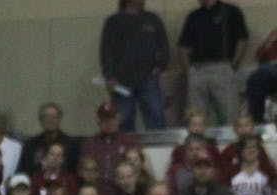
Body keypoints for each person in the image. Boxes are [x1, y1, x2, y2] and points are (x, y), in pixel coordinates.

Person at [98, 0, 169, 131]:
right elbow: (105, 50)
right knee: (123, 119)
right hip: (121, 80)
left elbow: (164, 45)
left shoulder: (152, 19)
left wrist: (161, 65)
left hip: (148, 77)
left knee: (156, 116)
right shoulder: (114, 21)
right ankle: (127, 149)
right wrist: (109, 76)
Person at [177, 0, 249, 126]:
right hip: (198, 69)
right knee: (195, 118)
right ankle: (198, 144)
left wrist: (233, 66)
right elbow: (183, 46)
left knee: (231, 115)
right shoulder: (193, 16)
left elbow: (242, 39)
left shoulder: (230, 12)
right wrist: (189, 71)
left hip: (222, 67)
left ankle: (231, 144)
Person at [18, 102, 80, 175]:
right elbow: (22, 172)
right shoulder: (30, 145)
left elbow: (75, 173)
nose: (50, 120)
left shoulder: (71, 145)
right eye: (46, 117)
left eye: (54, 117)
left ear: (59, 119)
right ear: (40, 120)